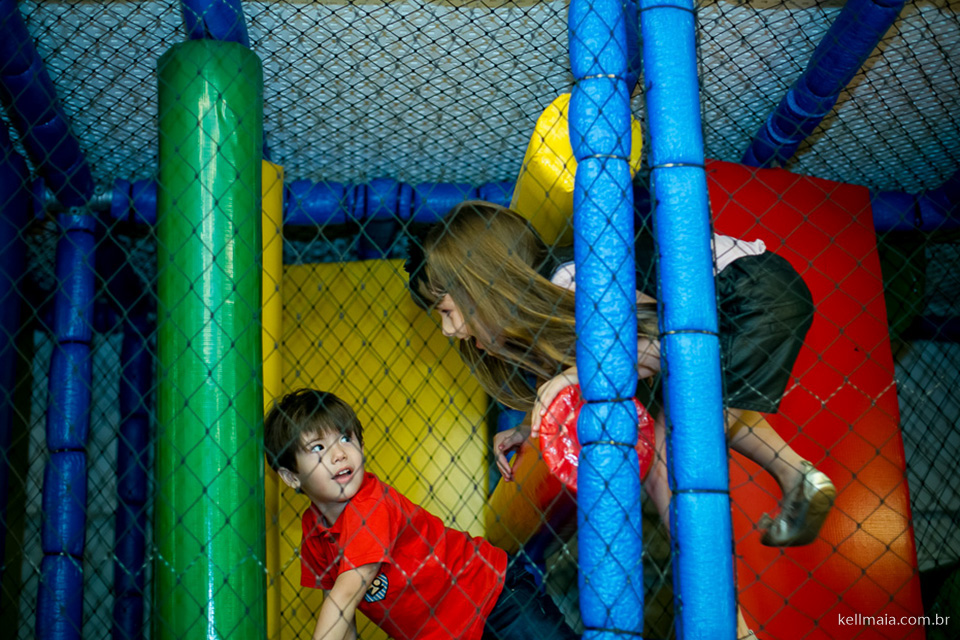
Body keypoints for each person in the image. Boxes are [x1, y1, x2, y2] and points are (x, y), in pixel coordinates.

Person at [406, 200, 836, 638]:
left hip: (742, 299)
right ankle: (795, 473)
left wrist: (578, 373)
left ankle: (729, 623)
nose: (448, 331)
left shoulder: (567, 280)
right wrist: (528, 426)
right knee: (695, 410)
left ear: (481, 284)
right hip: (751, 298)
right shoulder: (552, 302)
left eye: (447, 311)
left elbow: (660, 337)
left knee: (666, 459)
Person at [264, 388, 580, 640]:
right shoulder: (315, 531)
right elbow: (340, 617)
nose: (338, 454)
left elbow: (343, 599)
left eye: (346, 437)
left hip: (495, 601)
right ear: (291, 477)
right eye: (318, 448)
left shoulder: (370, 505)